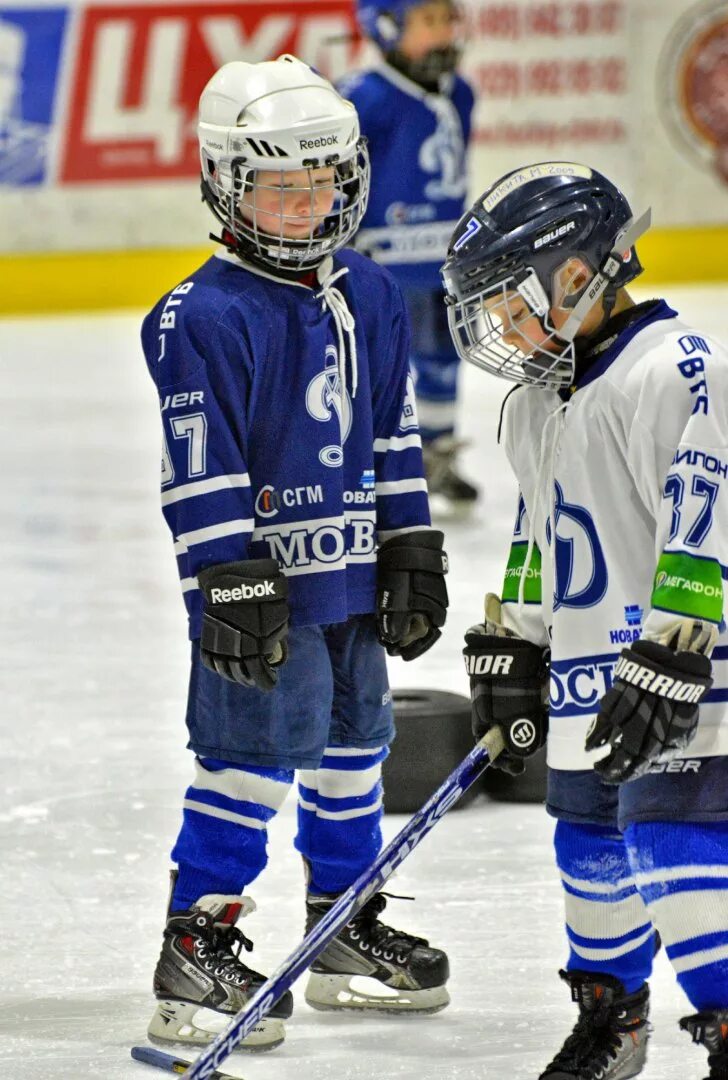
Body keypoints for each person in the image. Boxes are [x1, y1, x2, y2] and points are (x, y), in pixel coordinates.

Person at [139, 54, 451, 1054]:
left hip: (351, 575)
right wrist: (226, 576)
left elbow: (391, 433)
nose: (309, 201)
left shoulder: (368, 288)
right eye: (282, 185)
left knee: (358, 752)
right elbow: (201, 467)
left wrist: (408, 543)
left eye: (323, 179)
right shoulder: (202, 316)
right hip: (262, 589)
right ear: (229, 185)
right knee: (246, 763)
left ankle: (339, 923)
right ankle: (197, 944)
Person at [441, 161, 728, 1078]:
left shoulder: (678, 371)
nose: (498, 325)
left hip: (679, 667)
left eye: (508, 301)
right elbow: (539, 525)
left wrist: (677, 646)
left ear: (575, 275)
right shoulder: (536, 397)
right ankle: (614, 1020)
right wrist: (516, 639)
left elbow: (705, 510)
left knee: (671, 839)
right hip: (589, 669)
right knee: (589, 841)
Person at [339, 0, 479, 511]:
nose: (443, 33)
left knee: (444, 358)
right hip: (384, 266)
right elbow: (339, 177)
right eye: (428, 22)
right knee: (380, 368)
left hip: (444, 261)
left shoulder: (460, 92)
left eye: (447, 20)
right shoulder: (363, 97)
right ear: (385, 27)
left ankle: (438, 456)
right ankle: (372, 469)